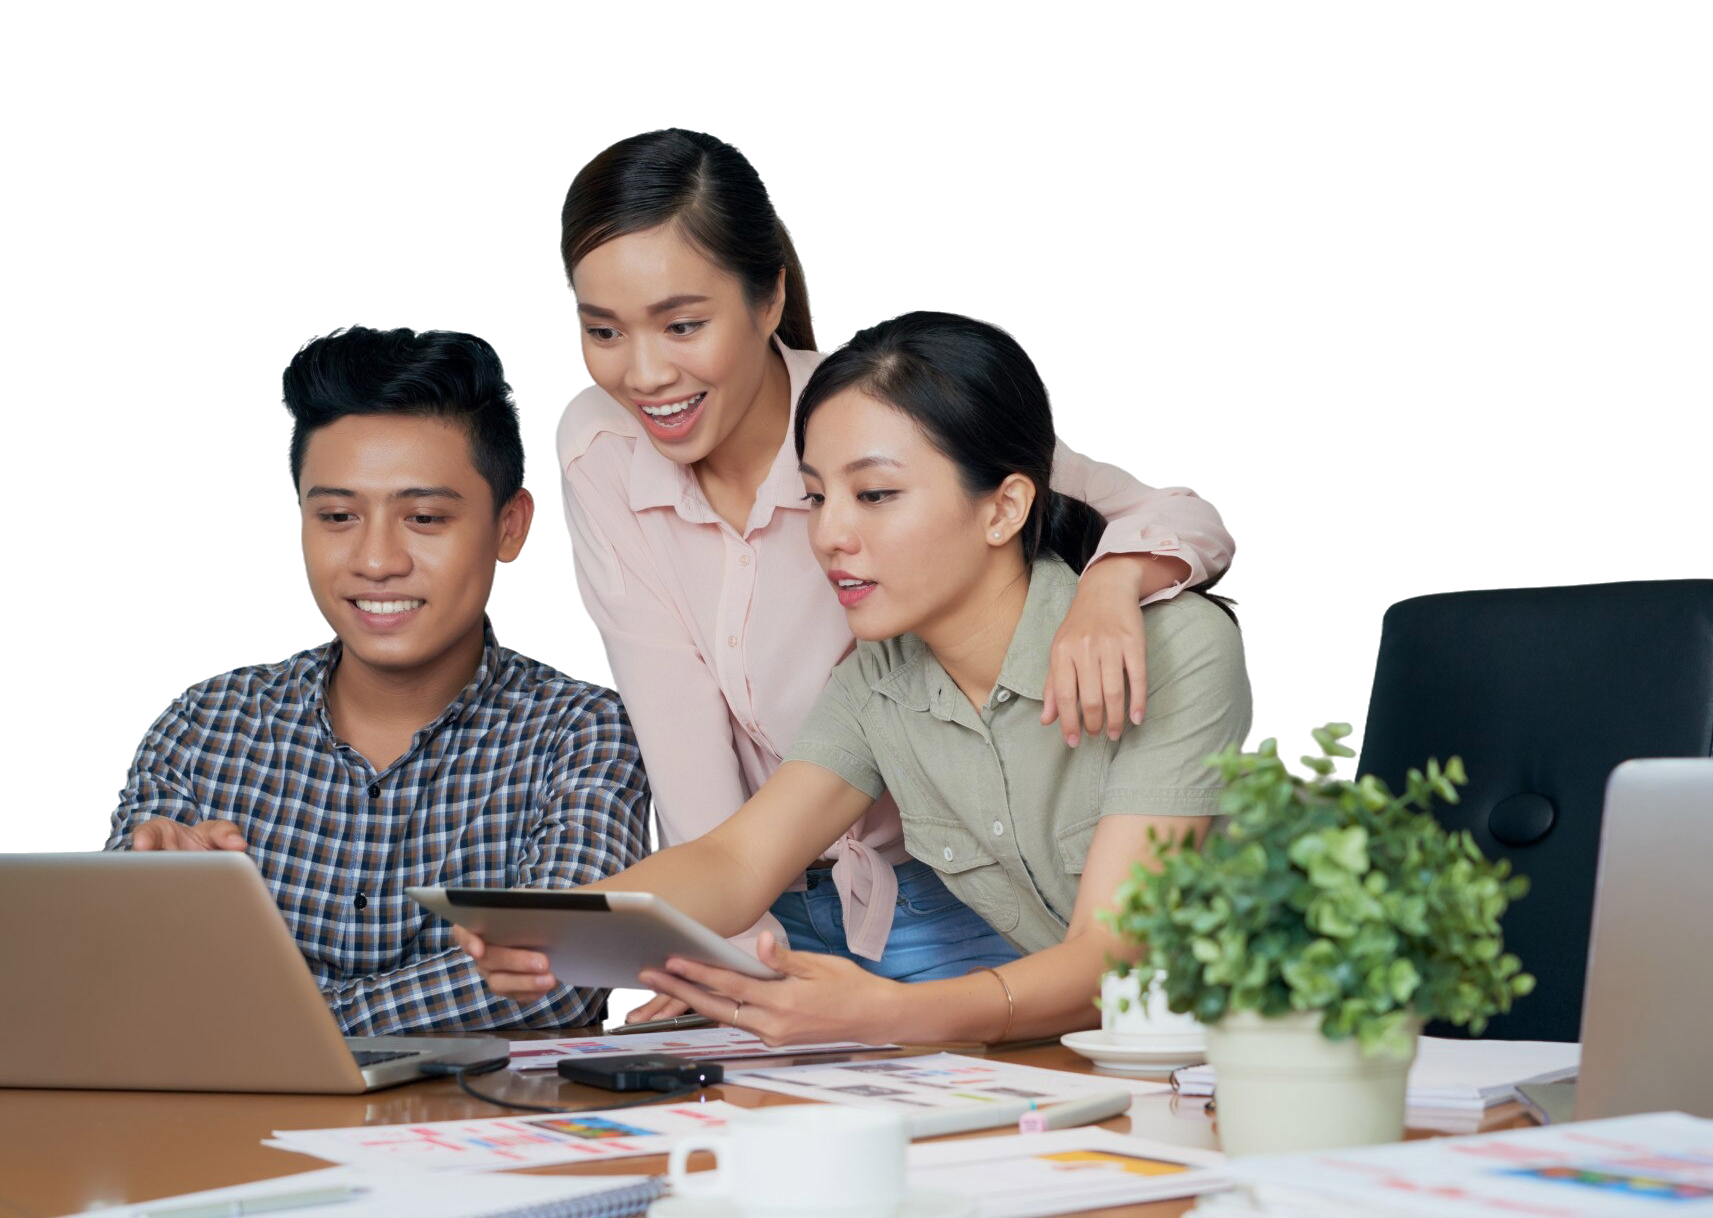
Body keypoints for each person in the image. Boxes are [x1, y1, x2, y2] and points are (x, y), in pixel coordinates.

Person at [549, 125, 1243, 1003]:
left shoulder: (889, 406)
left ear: (768, 301)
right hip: (766, 899)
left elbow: (1146, 501)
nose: (644, 373)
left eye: (683, 324)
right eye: (600, 329)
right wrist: (593, 936)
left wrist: (1115, 581)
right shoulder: (596, 444)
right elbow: (696, 776)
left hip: (941, 898)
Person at [468, 308, 1258, 1045]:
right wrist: (560, 924)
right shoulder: (876, 682)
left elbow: (1113, 956)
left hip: (1267, 1063)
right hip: (1106, 1069)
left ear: (1005, 507)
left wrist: (889, 1013)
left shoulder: (1174, 647)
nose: (830, 534)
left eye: (875, 495)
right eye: (815, 497)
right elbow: (738, 861)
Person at [101, 322, 651, 1033]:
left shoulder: (581, 731)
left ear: (512, 528)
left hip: (485, 1134)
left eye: (423, 516)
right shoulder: (201, 725)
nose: (376, 560)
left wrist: (296, 1027)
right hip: (223, 1133)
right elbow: (110, 965)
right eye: (337, 515)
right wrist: (142, 905)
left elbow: (560, 975)